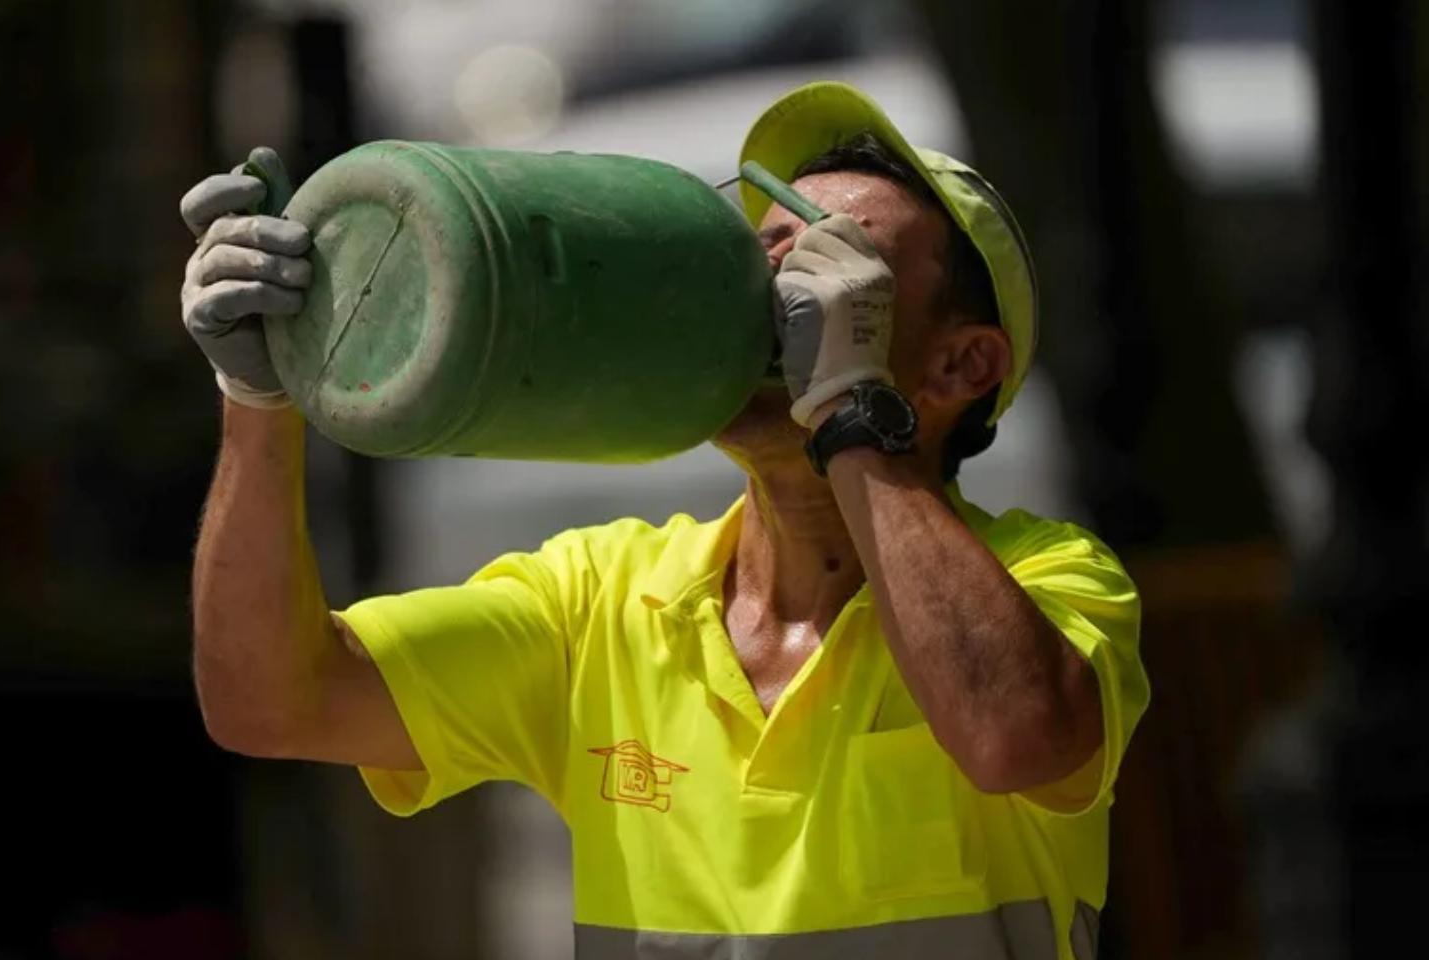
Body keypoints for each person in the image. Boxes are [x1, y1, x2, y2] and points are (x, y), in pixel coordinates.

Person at [178, 81, 1149, 960]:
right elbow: (269, 701)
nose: (773, 298)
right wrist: (260, 402)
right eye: (759, 253)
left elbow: (1013, 736)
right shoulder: (596, 602)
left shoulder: (1047, 580)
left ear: (957, 368)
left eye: (829, 266)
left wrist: (850, 414)